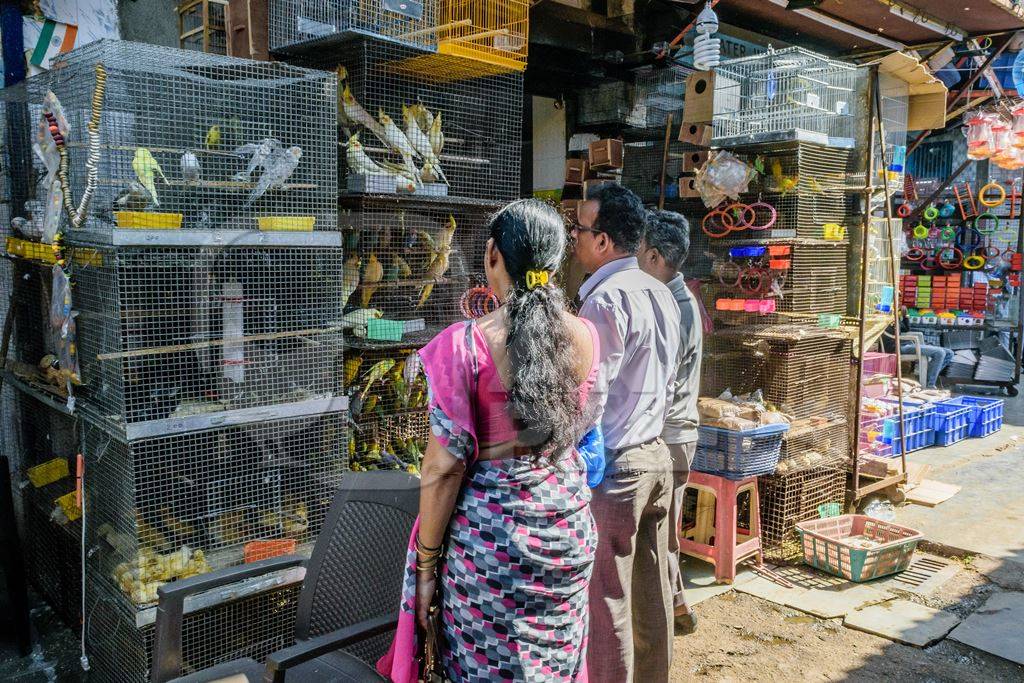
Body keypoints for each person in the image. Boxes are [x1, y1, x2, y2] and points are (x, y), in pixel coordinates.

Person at [378, 199, 601, 683]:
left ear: (493, 256)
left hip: (494, 548)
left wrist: (428, 565)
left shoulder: (466, 343)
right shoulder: (585, 335)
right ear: (555, 261)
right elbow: (581, 429)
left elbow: (442, 469)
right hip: (568, 531)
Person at [574, 184, 681, 683]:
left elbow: (591, 394)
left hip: (618, 467)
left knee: (607, 601)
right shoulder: (660, 291)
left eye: (579, 229)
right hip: (657, 457)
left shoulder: (606, 299)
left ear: (602, 242)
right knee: (651, 592)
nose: (574, 238)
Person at [638, 210, 703, 634]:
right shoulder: (679, 299)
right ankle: (677, 607)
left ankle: (671, 615)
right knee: (664, 531)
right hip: (679, 433)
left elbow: (660, 383)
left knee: (663, 535)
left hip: (672, 435)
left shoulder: (674, 306)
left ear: (657, 257)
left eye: (641, 250)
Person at [883, 316, 953, 389]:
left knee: (949, 353)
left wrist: (905, 316)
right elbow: (889, 337)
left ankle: (926, 377)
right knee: (940, 353)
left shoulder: (894, 319)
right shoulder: (883, 321)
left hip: (908, 344)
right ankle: (929, 385)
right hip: (899, 347)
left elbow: (906, 329)